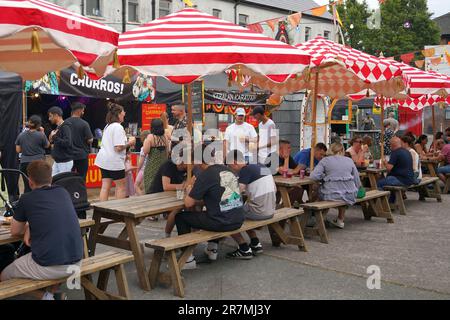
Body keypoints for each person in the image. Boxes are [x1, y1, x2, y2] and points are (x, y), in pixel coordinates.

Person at [0, 160, 83, 300]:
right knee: (39, 260)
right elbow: (53, 217)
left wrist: (27, 227)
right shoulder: (62, 192)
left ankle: (45, 296)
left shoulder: (27, 199)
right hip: (77, 261)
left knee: (3, 276)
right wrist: (30, 227)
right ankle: (52, 291)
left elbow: (15, 231)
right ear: (51, 179)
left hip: (50, 264)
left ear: (30, 181)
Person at [175, 144, 245, 268]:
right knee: (213, 210)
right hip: (238, 220)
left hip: (222, 222)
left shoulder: (205, 175)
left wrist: (189, 191)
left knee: (181, 217)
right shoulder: (227, 170)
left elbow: (188, 203)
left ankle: (188, 259)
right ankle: (212, 249)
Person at [226, 150, 276, 259]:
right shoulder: (261, 166)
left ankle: (244, 249)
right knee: (243, 210)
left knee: (228, 216)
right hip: (271, 210)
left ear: (235, 162)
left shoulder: (245, 170)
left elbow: (237, 192)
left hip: (259, 212)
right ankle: (255, 243)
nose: (231, 170)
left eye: (230, 167)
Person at [310, 143, 360, 229]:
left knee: (316, 190)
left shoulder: (325, 160)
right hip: (350, 195)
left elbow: (313, 176)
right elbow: (357, 181)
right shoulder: (349, 160)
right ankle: (340, 220)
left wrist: (324, 177)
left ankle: (315, 218)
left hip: (331, 195)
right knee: (342, 190)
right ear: (342, 151)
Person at [95, 103, 136, 201]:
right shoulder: (118, 127)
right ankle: (119, 212)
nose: (124, 114)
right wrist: (130, 143)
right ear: (118, 114)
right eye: (122, 113)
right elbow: (118, 147)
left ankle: (103, 211)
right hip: (114, 162)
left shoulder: (108, 126)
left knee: (105, 187)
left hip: (104, 160)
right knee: (121, 187)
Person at [149, 154, 188, 236]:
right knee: (177, 209)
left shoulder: (187, 169)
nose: (190, 165)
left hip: (172, 195)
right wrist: (182, 186)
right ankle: (167, 235)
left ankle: (187, 235)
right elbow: (166, 187)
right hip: (156, 196)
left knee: (186, 207)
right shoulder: (168, 165)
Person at [15, 115, 50, 193]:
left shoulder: (21, 135)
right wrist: (43, 132)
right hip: (38, 162)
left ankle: (28, 202)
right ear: (38, 125)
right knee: (40, 184)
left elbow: (18, 150)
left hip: (24, 163)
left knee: (27, 185)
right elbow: (47, 145)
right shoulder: (41, 135)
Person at [377, 137, 416, 203]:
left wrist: (385, 162)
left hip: (401, 180)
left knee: (379, 184)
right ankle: (391, 202)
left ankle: (381, 204)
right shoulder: (406, 151)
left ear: (392, 145)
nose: (389, 146)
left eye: (390, 144)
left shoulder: (395, 153)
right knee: (389, 180)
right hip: (410, 179)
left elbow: (389, 168)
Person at [65, 102, 93, 180]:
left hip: (68, 155)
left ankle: (70, 192)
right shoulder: (84, 124)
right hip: (82, 155)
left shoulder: (65, 123)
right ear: (79, 111)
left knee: (68, 177)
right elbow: (90, 139)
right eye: (83, 111)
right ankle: (81, 192)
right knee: (82, 178)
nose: (83, 112)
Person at [143, 118, 170, 195]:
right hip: (163, 167)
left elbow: (145, 151)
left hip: (152, 167)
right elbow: (167, 152)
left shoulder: (150, 137)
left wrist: (145, 141)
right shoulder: (165, 137)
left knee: (150, 189)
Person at [48, 106, 74, 176]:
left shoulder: (65, 127)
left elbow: (67, 143)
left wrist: (54, 137)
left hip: (64, 162)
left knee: (63, 183)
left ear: (56, 115)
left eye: (50, 116)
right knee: (53, 180)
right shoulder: (59, 127)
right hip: (58, 161)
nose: (49, 119)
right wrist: (52, 139)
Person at [134, 130, 150, 196]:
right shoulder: (152, 147)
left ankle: (142, 198)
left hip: (143, 169)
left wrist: (138, 169)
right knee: (146, 186)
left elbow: (141, 161)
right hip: (150, 169)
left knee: (136, 186)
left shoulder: (143, 148)